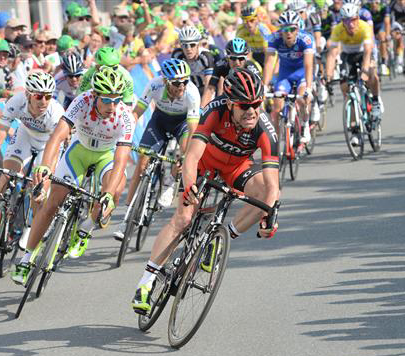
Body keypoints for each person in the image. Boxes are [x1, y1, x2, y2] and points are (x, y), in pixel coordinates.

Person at [131, 68, 280, 312]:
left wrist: (269, 215)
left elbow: (273, 185)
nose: (252, 110)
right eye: (245, 105)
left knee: (267, 195)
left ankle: (220, 240)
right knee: (183, 218)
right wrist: (190, 187)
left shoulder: (264, 128)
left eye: (256, 103)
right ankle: (145, 283)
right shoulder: (214, 111)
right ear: (231, 104)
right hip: (204, 163)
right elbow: (191, 157)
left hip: (236, 169)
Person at [12, 66, 134, 284]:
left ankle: (85, 229)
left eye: (117, 99)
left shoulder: (125, 116)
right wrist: (45, 167)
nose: (112, 106)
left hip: (106, 155)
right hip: (78, 151)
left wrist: (106, 194)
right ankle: (27, 258)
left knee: (113, 193)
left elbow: (121, 159)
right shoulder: (82, 101)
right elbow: (58, 136)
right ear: (95, 95)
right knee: (51, 205)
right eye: (107, 100)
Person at [0, 71, 63, 248]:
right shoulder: (16, 102)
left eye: (48, 96)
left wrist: (44, 176)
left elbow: (54, 148)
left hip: (48, 144)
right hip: (25, 136)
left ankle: (31, 226)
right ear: (28, 94)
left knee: (38, 189)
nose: (43, 101)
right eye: (38, 96)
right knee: (7, 174)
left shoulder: (56, 112)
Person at [114, 58, 201, 240]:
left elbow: (193, 129)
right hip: (159, 122)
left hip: (182, 125)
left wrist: (186, 157)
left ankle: (171, 180)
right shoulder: (154, 85)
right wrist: (126, 136)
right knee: (142, 163)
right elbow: (137, 112)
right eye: (177, 83)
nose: (182, 86)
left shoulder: (192, 93)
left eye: (185, 81)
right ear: (165, 81)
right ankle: (128, 215)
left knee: (186, 151)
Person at [326, 3, 382, 145]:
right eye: (346, 20)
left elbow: (369, 50)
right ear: (342, 21)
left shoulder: (364, 26)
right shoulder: (338, 30)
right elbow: (332, 54)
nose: (350, 24)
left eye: (353, 20)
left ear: (358, 18)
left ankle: (375, 101)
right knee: (346, 88)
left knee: (371, 73)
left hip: (364, 53)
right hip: (348, 55)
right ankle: (355, 128)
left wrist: (365, 69)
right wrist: (328, 74)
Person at [263, 10, 315, 144]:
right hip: (285, 74)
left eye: (292, 29)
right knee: (277, 106)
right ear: (280, 30)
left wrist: (309, 88)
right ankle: (276, 143)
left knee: (303, 99)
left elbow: (309, 65)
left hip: (302, 73)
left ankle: (305, 125)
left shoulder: (306, 39)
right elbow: (269, 63)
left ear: (298, 29)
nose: (289, 32)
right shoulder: (274, 38)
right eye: (285, 29)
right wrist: (264, 85)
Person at [201, 38, 262, 107]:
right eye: (233, 58)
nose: (237, 63)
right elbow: (210, 89)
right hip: (229, 97)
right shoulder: (221, 65)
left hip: (248, 97)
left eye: (241, 58)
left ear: (246, 58)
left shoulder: (251, 68)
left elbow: (260, 93)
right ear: (227, 57)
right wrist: (201, 110)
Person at [171, 25, 214, 97]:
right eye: (185, 45)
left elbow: (209, 87)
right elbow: (174, 83)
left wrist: (202, 107)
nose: (188, 49)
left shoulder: (205, 56)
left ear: (198, 45)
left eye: (192, 45)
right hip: (189, 91)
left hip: (206, 88)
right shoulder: (177, 55)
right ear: (181, 46)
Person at [366, 0, 392, 75]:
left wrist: (387, 35)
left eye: (376, 3)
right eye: (372, 3)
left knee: (382, 36)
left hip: (381, 26)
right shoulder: (366, 8)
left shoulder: (384, 7)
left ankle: (383, 63)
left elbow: (387, 22)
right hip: (370, 26)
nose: (374, 5)